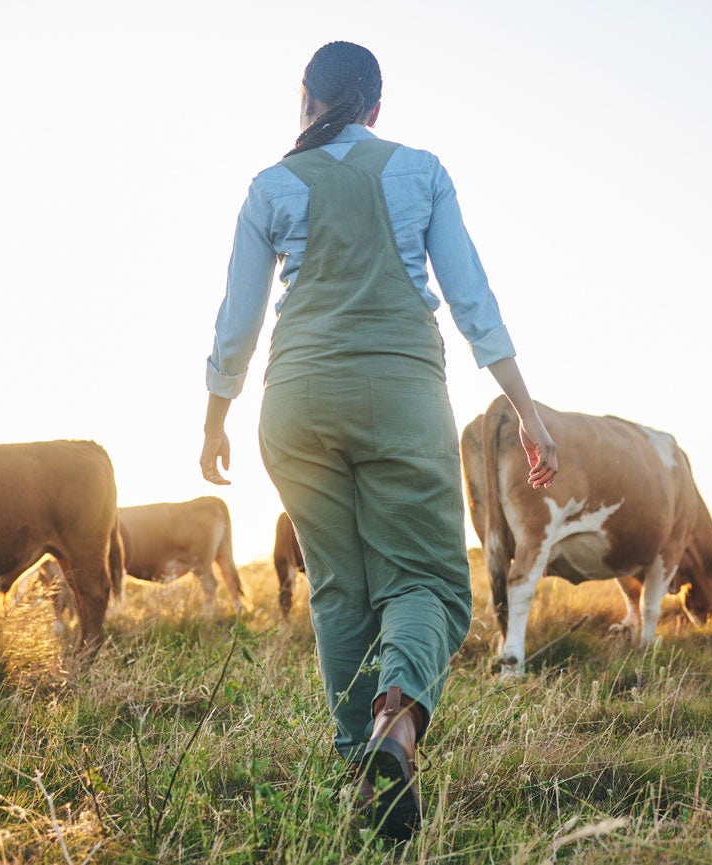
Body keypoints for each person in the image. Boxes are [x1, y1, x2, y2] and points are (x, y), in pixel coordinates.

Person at [200, 41, 556, 841]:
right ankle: (396, 723)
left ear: (305, 101)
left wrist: (215, 413)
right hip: (400, 395)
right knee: (429, 578)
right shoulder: (421, 170)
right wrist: (526, 410)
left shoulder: (270, 185)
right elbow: (473, 303)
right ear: (376, 109)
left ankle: (358, 770)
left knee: (338, 591)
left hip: (294, 403)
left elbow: (240, 317)